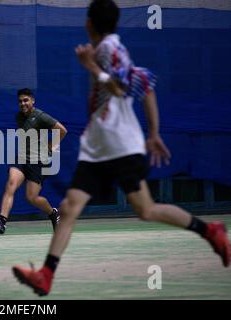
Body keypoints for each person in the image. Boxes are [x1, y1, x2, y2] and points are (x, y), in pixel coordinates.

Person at [12, 0, 230, 296]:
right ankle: (47, 275)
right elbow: (146, 84)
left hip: (119, 144)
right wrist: (153, 132)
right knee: (71, 207)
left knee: (144, 209)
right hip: (99, 144)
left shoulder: (106, 51)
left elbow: (122, 87)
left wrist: (91, 67)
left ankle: (210, 231)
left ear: (90, 24)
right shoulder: (112, 49)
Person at [0, 88, 67, 234]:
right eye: (20, 101)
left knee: (32, 198)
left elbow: (62, 130)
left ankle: (53, 213)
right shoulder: (19, 117)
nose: (23, 103)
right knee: (11, 184)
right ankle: (1, 222)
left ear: (32, 101)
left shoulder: (40, 116)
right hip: (22, 158)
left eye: (26, 100)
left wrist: (51, 146)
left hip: (38, 161)